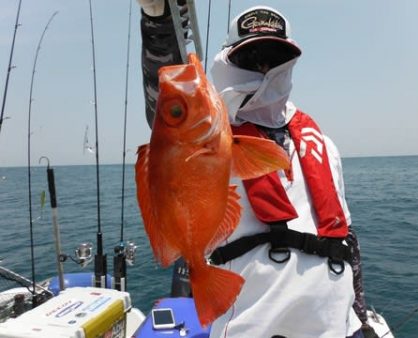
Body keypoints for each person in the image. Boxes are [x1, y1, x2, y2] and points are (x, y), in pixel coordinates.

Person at [137, 1, 379, 337]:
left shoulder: (322, 144)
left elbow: (347, 242)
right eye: (250, 58)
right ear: (228, 60)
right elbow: (169, 110)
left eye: (274, 58)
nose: (264, 67)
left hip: (339, 328)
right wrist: (158, 20)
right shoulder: (215, 133)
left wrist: (361, 318)